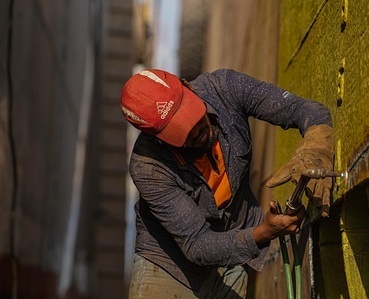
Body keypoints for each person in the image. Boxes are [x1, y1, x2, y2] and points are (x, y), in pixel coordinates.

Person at [121, 68, 334, 299]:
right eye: (179, 131)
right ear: (158, 139)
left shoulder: (225, 88)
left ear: (187, 85)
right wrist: (263, 232)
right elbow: (197, 244)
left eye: (190, 115)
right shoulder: (148, 167)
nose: (194, 130)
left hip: (231, 253)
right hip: (168, 269)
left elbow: (302, 109)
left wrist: (316, 149)